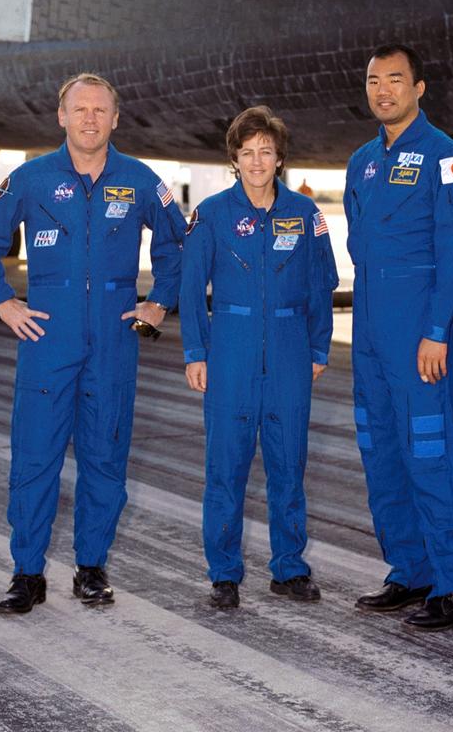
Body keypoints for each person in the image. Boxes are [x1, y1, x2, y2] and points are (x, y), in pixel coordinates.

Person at [0, 73, 185, 613]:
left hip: (114, 336)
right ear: (61, 116)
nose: (90, 119)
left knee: (105, 456)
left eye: (100, 110)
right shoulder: (30, 178)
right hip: (47, 333)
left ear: (116, 118)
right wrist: (2, 300)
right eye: (80, 109)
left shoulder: (139, 180)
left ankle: (91, 567)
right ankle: (27, 573)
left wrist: (159, 300)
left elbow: (178, 241)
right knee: (35, 456)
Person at [344, 45, 453, 630]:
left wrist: (436, 332)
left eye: (395, 80)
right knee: (382, 455)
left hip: (418, 335)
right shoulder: (362, 162)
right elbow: (356, 242)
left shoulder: (446, 158)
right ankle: (409, 570)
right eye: (374, 80)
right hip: (370, 334)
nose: (383, 90)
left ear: (419, 87)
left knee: (429, 455)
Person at [181, 107, 338, 609]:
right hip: (229, 352)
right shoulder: (211, 214)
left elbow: (322, 284)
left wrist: (317, 347)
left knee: (288, 466)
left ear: (279, 158)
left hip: (291, 355)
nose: (256, 161)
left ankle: (289, 568)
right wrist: (195, 351)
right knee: (225, 468)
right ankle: (224, 573)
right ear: (234, 158)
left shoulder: (306, 214)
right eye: (247, 152)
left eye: (265, 151)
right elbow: (189, 291)